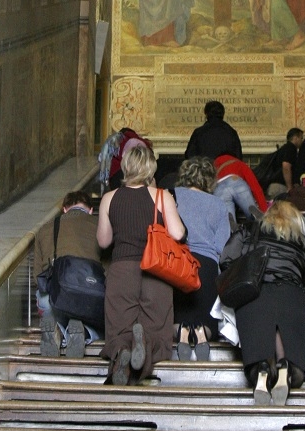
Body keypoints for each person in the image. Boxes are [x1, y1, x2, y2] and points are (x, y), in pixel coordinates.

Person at [219, 201, 305, 406]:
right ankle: (285, 368)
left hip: (254, 295)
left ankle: (262, 370)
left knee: (255, 359)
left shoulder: (248, 230)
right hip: (291, 297)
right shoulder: (303, 244)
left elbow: (225, 261)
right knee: (296, 373)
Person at [97, 144, 186, 385]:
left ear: (126, 167)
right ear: (150, 169)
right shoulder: (162, 196)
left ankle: (122, 354)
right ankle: (143, 346)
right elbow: (178, 234)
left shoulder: (109, 198)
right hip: (155, 271)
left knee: (119, 329)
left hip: (121, 270)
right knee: (157, 331)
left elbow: (103, 241)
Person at [171, 157, 231, 361]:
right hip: (207, 267)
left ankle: (181, 330)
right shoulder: (219, 205)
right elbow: (222, 246)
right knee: (208, 319)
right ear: (210, 180)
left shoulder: (172, 195)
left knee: (175, 316)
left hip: (178, 264)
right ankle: (202, 332)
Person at [34, 190, 104, 358]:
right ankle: (84, 332)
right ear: (91, 210)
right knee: (103, 320)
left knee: (51, 302)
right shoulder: (102, 227)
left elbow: (37, 275)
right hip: (90, 297)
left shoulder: (45, 228)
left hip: (53, 299)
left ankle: (58, 330)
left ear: (64, 209)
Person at [213, 154, 268, 221]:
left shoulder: (213, 167)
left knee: (228, 222)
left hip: (220, 187)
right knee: (255, 218)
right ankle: (255, 218)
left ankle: (229, 224)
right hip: (237, 182)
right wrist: (265, 211)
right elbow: (256, 189)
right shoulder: (241, 164)